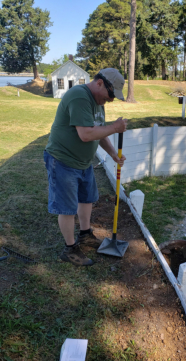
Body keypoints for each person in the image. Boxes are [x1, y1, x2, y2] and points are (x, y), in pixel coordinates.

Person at [44, 68, 127, 267]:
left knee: (87, 199)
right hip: (63, 161)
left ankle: (85, 234)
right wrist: (115, 127)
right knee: (67, 208)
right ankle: (70, 249)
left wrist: (113, 154)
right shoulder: (79, 96)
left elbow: (98, 131)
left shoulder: (99, 102)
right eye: (111, 95)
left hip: (83, 162)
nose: (111, 100)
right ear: (99, 83)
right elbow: (86, 134)